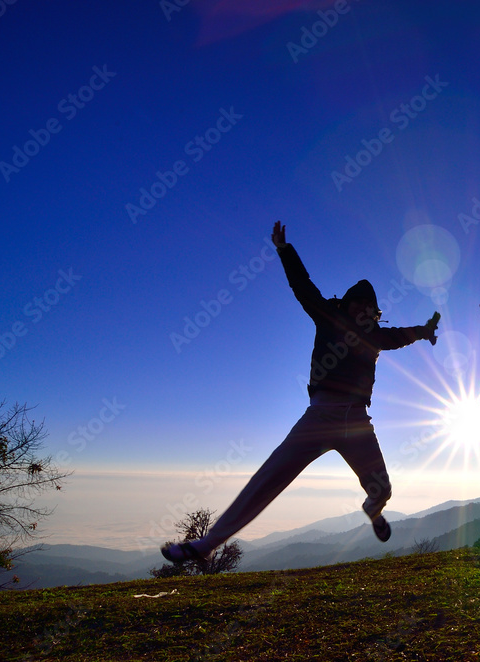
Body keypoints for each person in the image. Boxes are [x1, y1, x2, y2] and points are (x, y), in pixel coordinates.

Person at [162, 222, 440, 563]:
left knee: (382, 489)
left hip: (357, 422)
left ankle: (372, 509)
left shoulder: (376, 338)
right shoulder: (328, 318)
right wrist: (285, 250)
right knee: (270, 477)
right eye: (359, 306)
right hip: (319, 418)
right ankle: (205, 545)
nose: (365, 312)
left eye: (371, 309)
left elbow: (402, 335)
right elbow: (303, 287)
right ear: (347, 306)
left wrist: (426, 330)